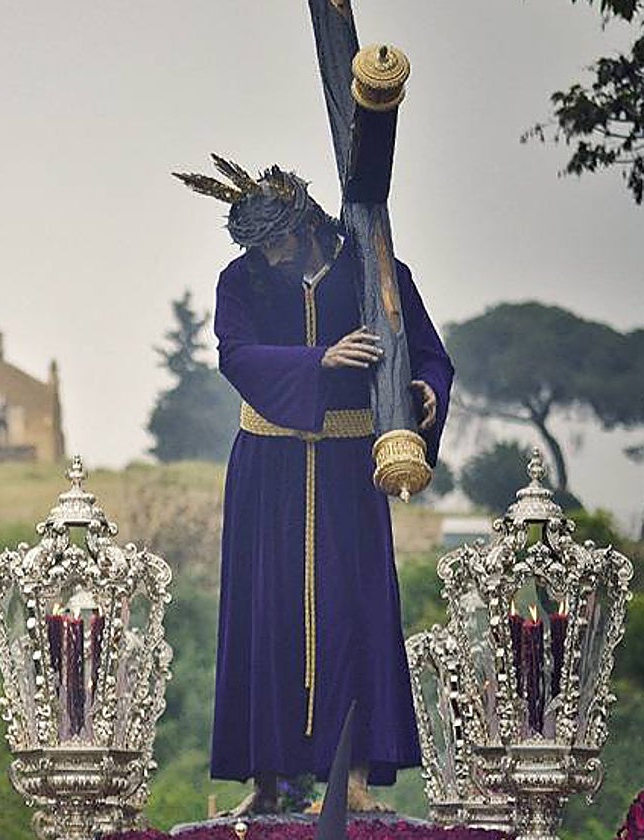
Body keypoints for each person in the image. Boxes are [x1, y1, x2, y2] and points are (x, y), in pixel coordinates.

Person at [175, 160, 454, 813]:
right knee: (265, 615)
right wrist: (317, 361)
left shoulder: (375, 273)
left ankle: (350, 780)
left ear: (304, 225)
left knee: (353, 614)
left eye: (276, 241)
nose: (268, 256)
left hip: (346, 471)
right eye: (258, 246)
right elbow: (234, 354)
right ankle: (268, 784)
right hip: (267, 471)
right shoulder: (241, 281)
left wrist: (423, 393)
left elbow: (431, 356)